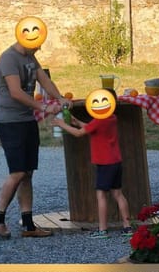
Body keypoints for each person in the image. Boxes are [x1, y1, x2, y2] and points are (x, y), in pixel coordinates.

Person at [0, 19, 69, 239]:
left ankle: (28, 226)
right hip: (9, 121)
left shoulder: (30, 57)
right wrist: (44, 106)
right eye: (37, 44)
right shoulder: (8, 58)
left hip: (26, 121)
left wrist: (60, 97)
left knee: (27, 174)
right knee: (17, 173)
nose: (39, 48)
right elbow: (16, 92)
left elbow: (44, 80)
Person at [51, 89, 132, 239]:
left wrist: (61, 124)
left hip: (105, 164)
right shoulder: (111, 118)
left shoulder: (99, 120)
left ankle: (102, 229)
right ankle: (128, 227)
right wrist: (77, 122)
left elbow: (79, 133)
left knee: (101, 195)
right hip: (115, 162)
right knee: (118, 194)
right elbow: (91, 128)